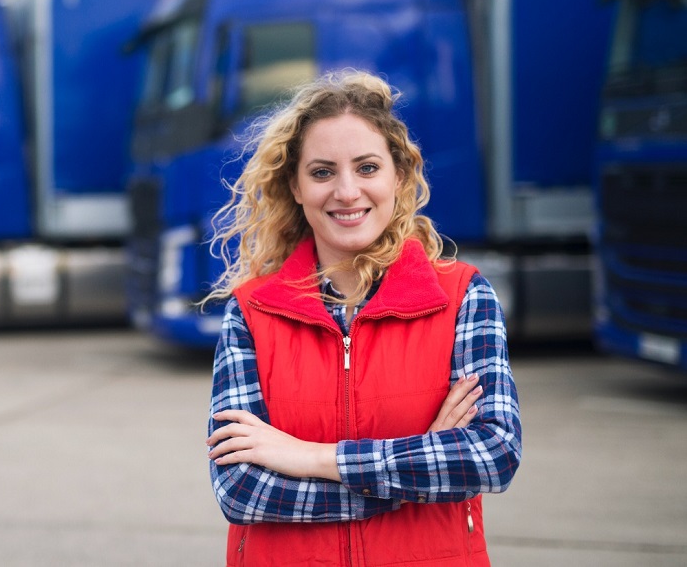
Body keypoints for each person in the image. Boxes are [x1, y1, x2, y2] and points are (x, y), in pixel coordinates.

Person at [204, 70, 521, 566]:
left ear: (398, 175)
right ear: (296, 186)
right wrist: (416, 474)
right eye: (323, 172)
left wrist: (310, 457)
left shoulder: (461, 295)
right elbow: (243, 492)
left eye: (367, 167)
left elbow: (492, 455)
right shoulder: (251, 311)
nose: (347, 192)